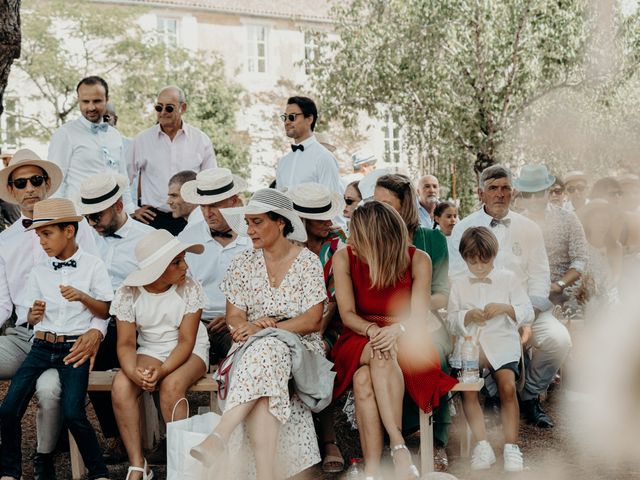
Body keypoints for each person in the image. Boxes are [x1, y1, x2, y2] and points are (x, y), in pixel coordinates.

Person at [190, 188, 331, 480]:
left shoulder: (307, 262)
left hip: (301, 346)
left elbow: (313, 320)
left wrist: (269, 328)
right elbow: (234, 316)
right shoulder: (243, 263)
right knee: (268, 366)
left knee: (272, 349)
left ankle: (221, 433)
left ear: (280, 222)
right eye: (248, 223)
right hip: (250, 347)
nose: (249, 230)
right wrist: (248, 329)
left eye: (257, 222)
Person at [331, 201, 457, 480]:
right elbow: (348, 314)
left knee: (364, 380)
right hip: (361, 335)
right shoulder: (344, 257)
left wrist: (396, 331)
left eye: (356, 233)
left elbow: (419, 314)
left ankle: (374, 471)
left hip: (408, 335)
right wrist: (374, 332)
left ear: (373, 236)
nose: (351, 239)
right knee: (379, 353)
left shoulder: (418, 258)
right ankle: (398, 447)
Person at [0, 149, 100, 480]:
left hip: (68, 335)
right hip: (21, 334)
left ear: (47, 185)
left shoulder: (78, 229)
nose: (29, 188)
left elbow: (102, 292)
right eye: (21, 182)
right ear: (12, 190)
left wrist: (96, 331)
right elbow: (3, 305)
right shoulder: (5, 241)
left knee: (48, 391)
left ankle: (43, 458)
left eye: (36, 180)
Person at [449, 165, 571, 429]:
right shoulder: (463, 228)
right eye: (493, 188)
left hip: (526, 308)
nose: (500, 194)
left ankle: (529, 397)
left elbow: (540, 273)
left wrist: (528, 315)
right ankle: (494, 395)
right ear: (481, 193)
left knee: (559, 340)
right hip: (483, 315)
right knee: (486, 340)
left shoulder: (529, 228)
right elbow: (458, 276)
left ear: (513, 193)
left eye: (505, 188)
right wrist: (490, 316)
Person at [110, 229, 210, 480]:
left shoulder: (189, 289)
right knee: (121, 385)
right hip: (151, 349)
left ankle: (183, 466)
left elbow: (186, 341)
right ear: (156, 268)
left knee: (171, 386)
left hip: (191, 348)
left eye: (183, 258)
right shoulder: (128, 292)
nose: (185, 266)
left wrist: (163, 371)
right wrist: (133, 372)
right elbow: (125, 344)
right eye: (177, 262)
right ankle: (138, 464)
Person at [373, 173, 452, 471]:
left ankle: (437, 438)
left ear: (405, 205)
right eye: (375, 203)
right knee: (382, 352)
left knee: (431, 353)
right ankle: (397, 435)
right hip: (379, 321)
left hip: (424, 321)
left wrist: (410, 310)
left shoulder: (432, 240)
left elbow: (442, 296)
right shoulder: (373, 240)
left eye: (385, 204)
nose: (378, 210)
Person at [77, 172, 155, 463]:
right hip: (98, 317)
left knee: (99, 349)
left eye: (97, 216)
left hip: (141, 321)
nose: (92, 223)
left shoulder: (149, 239)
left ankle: (145, 438)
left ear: (119, 206)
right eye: (87, 217)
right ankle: (113, 436)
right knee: (83, 352)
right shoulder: (87, 242)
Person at [447, 227, 534, 472]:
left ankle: (511, 447)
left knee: (507, 385)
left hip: (502, 344)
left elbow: (527, 311)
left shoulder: (508, 278)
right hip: (469, 345)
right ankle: (482, 445)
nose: (479, 266)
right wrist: (467, 315)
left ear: (494, 256)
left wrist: (507, 308)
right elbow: (451, 319)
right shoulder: (459, 284)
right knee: (469, 391)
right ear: (464, 258)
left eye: (484, 260)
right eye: (472, 261)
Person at [289, 183, 346, 473]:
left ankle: (328, 439)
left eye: (329, 215)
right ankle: (291, 443)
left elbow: (334, 302)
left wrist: (311, 333)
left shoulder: (337, 243)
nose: (328, 221)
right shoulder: (287, 243)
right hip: (289, 320)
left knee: (316, 353)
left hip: (331, 323)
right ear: (302, 220)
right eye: (320, 217)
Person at [178, 168, 252, 365]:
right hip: (194, 322)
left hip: (243, 322)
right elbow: (178, 287)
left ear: (234, 201)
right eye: (202, 207)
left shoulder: (254, 236)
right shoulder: (188, 237)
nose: (207, 213)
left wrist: (235, 318)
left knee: (247, 358)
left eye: (214, 206)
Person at [127, 85, 216, 235]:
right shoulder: (142, 140)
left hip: (191, 219)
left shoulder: (200, 140)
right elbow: (124, 177)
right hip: (153, 220)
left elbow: (210, 182)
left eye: (169, 108)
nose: (162, 112)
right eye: (158, 107)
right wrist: (132, 208)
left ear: (183, 108)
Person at [47, 76, 134, 214]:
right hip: (80, 217)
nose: (91, 107)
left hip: (114, 217)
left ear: (107, 99)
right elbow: (56, 181)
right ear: (78, 100)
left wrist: (130, 210)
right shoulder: (65, 133)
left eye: (97, 101)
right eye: (85, 101)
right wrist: (59, 218)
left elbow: (122, 176)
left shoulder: (114, 135)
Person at [514, 165, 588, 308]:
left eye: (539, 193)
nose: (533, 199)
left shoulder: (568, 219)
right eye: (528, 194)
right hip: (527, 295)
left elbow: (580, 260)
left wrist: (560, 284)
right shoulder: (515, 224)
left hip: (566, 294)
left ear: (548, 191)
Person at [275, 96, 343, 195]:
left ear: (309, 119)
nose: (287, 122)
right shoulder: (283, 162)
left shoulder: (324, 158)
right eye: (285, 117)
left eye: (292, 117)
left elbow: (332, 199)